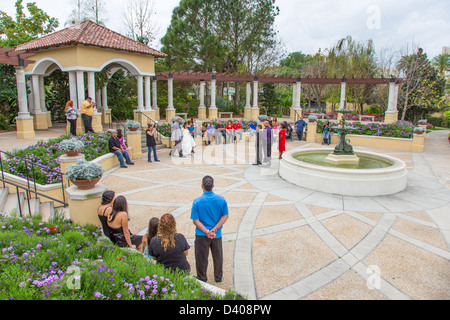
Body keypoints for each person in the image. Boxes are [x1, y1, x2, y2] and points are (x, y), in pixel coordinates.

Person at [190, 176, 229, 283]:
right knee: (218, 256)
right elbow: (225, 215)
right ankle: (218, 277)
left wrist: (207, 231)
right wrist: (215, 229)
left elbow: (195, 220)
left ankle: (202, 277)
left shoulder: (197, 202)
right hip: (217, 234)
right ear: (213, 186)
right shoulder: (221, 199)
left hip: (202, 234)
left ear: (202, 186)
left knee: (201, 257)